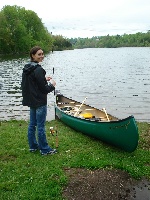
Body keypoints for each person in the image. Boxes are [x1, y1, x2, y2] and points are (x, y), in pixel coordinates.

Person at [21, 46, 57, 156]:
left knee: (32, 124)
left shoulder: (27, 68)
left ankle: (33, 146)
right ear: (33, 55)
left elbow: (30, 84)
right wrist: (52, 85)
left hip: (31, 101)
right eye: (39, 54)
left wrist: (43, 79)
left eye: (42, 54)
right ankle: (45, 149)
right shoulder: (38, 69)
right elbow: (44, 89)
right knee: (40, 126)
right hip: (40, 102)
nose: (42, 56)